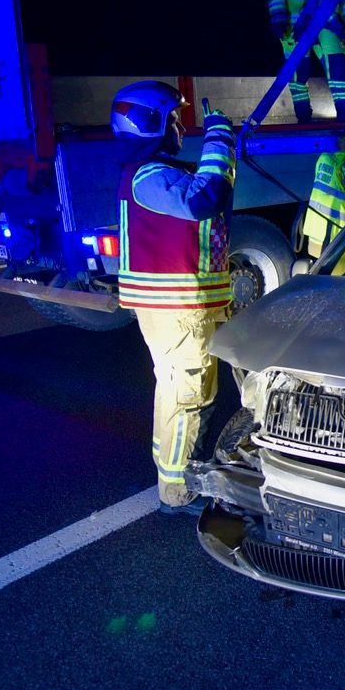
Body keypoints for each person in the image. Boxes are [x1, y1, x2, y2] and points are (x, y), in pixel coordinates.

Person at [112, 81, 236, 515]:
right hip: (176, 310)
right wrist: (220, 140)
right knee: (183, 397)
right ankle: (177, 491)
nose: (180, 128)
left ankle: (189, 470)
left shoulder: (154, 172)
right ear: (152, 123)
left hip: (187, 307)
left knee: (195, 393)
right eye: (174, 119)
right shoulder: (148, 176)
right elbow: (204, 199)